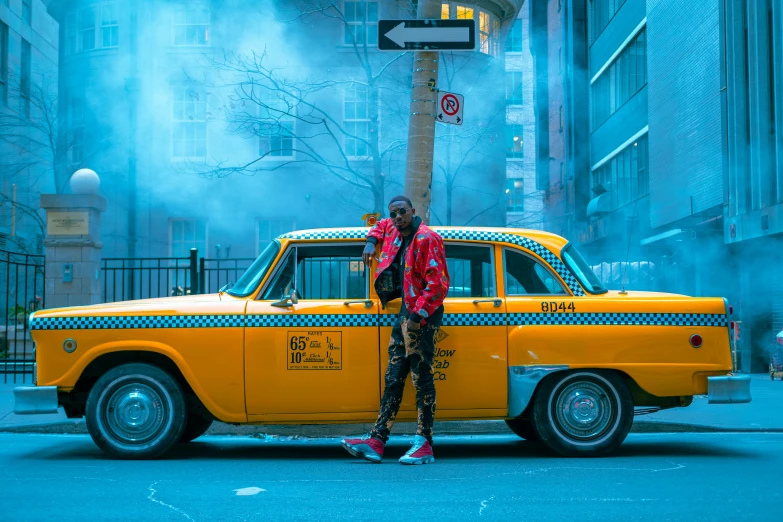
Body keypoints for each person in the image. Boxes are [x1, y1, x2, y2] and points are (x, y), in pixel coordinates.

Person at [341, 195, 449, 465]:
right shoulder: (392, 228)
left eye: (402, 211)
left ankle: (424, 444)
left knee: (421, 378)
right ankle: (377, 440)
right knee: (393, 377)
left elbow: (439, 283)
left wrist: (417, 315)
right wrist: (370, 241)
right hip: (405, 313)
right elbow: (378, 226)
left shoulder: (427, 238)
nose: (397, 216)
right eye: (393, 213)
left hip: (421, 317)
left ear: (413, 211)